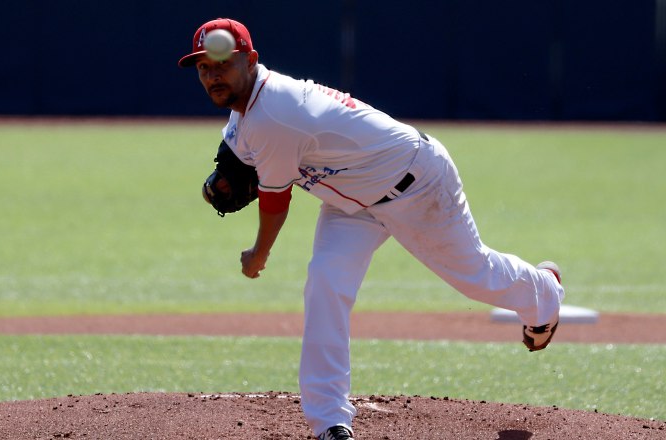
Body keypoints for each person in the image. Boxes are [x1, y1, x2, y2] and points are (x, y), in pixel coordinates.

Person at [179, 18, 565, 440]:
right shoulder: (249, 110)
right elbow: (234, 157)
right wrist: (218, 184)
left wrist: (258, 256)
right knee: (326, 281)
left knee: (476, 275)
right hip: (351, 203)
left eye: (222, 64)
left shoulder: (273, 112)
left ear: (250, 61)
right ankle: (329, 421)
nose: (213, 75)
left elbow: (275, 203)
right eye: (203, 68)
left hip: (415, 184)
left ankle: (543, 292)